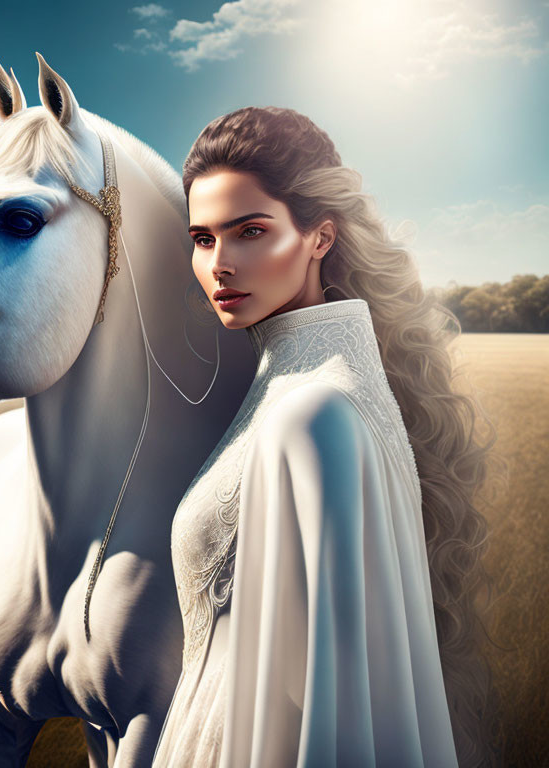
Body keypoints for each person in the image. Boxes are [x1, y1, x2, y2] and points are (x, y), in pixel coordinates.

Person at [151, 107, 499, 767]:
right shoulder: (306, 384)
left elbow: (337, 711)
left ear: (319, 237)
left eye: (250, 231)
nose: (220, 264)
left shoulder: (313, 410)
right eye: (202, 239)